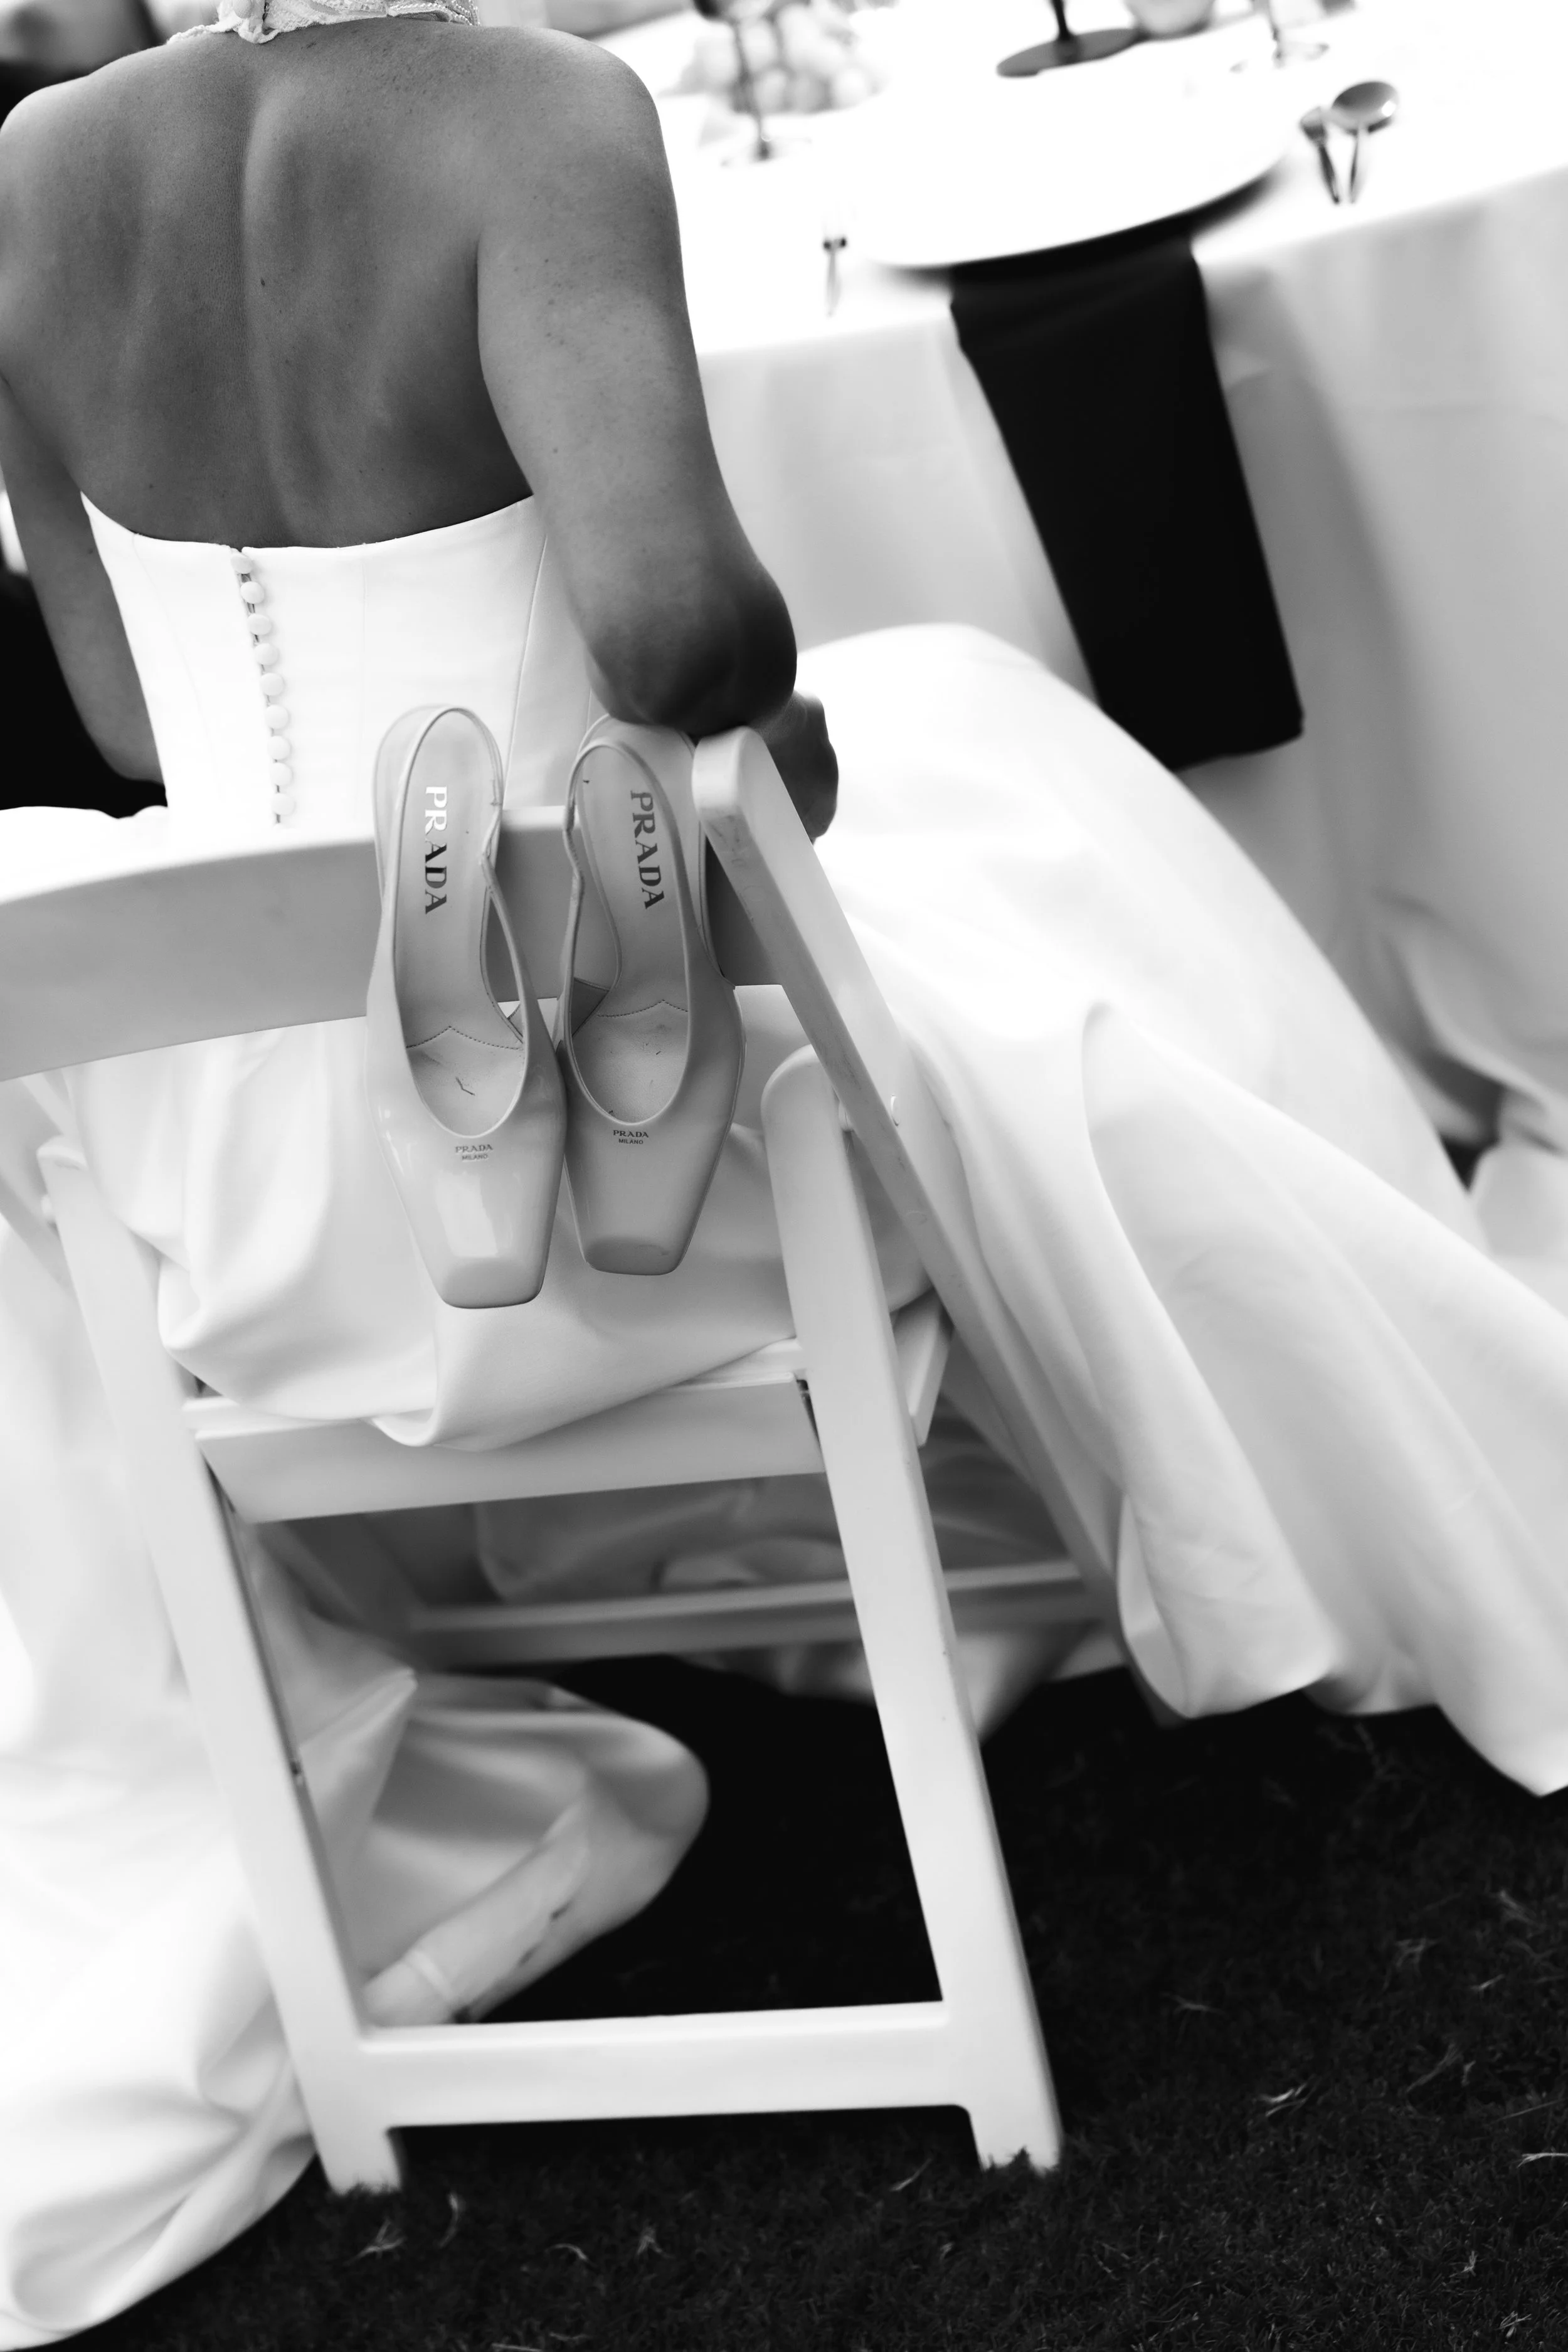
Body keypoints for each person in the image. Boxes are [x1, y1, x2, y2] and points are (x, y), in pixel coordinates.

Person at [8, 0, 1568, 2339]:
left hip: (249, 1206)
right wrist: (767, 723)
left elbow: (126, 718)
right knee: (994, 755)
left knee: (939, 742)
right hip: (675, 1160)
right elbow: (677, 632)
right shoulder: (527, 112)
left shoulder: (25, 180)